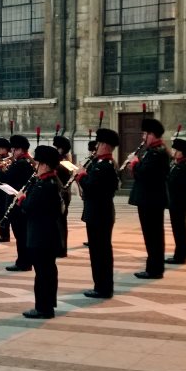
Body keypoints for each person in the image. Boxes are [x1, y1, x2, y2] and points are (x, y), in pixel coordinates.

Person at [18, 145, 64, 319]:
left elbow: (30, 208)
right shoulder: (53, 181)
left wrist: (22, 199)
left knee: (43, 274)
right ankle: (48, 304)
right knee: (49, 271)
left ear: (44, 165)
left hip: (40, 236)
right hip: (50, 235)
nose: (35, 167)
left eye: (37, 164)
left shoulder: (44, 185)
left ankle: (43, 308)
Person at [77, 128, 120, 298]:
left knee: (100, 253)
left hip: (99, 214)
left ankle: (102, 287)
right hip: (99, 213)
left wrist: (81, 176)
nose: (97, 147)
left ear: (106, 146)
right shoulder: (100, 164)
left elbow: (91, 187)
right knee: (99, 251)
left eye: (100, 144)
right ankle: (102, 285)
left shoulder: (104, 166)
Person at [128, 118, 169, 279]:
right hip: (151, 199)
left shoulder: (156, 152)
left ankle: (154, 269)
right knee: (153, 235)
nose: (143, 137)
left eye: (145, 133)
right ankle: (154, 267)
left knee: (153, 235)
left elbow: (144, 174)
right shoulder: (154, 151)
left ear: (152, 134)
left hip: (151, 200)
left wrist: (135, 163)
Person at [0, 134, 35, 272]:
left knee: (20, 234)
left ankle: (23, 262)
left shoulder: (21, 163)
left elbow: (7, 178)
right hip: (22, 200)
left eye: (15, 150)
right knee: (22, 233)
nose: (13, 153)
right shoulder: (29, 161)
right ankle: (24, 260)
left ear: (20, 150)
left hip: (17, 202)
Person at [166, 138, 186, 264]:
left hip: (178, 202)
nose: (173, 151)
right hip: (178, 201)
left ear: (181, 152)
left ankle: (180, 256)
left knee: (179, 229)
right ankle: (183, 251)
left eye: (175, 149)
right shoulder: (179, 164)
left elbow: (172, 183)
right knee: (180, 228)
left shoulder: (182, 167)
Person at [52, 135, 72, 257]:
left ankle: (61, 248)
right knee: (58, 222)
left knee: (60, 222)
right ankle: (59, 247)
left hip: (62, 194)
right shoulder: (62, 159)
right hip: (63, 193)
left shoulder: (62, 162)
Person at [81, 139, 98, 247]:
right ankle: (91, 239)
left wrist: (82, 176)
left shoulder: (96, 164)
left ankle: (93, 239)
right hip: (89, 197)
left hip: (94, 199)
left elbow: (90, 182)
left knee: (92, 222)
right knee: (89, 221)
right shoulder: (92, 163)